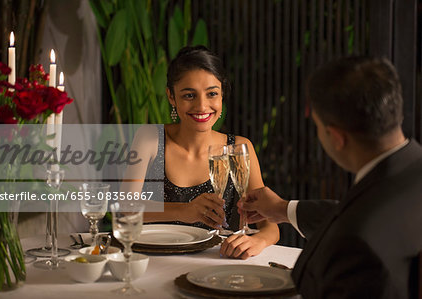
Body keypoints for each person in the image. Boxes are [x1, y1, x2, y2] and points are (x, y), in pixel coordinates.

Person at [238, 56, 422, 298]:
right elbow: (360, 213)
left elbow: (356, 227)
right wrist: (284, 209)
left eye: (317, 126)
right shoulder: (410, 171)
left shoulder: (354, 245)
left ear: (336, 137)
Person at [125, 46, 279, 259]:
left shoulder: (238, 149)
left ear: (222, 95)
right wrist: (183, 210)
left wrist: (257, 240)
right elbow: (125, 207)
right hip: (154, 259)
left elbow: (269, 222)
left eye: (212, 94)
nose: (202, 106)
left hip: (217, 261)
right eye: (189, 95)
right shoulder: (151, 138)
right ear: (171, 96)